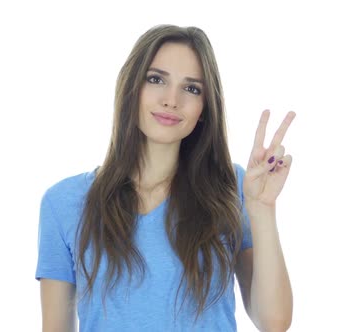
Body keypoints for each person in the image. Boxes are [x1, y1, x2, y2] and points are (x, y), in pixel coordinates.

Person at [35, 24, 295, 332]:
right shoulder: (64, 203)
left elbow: (274, 321)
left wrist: (262, 208)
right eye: (156, 79)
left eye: (191, 88)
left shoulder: (233, 187)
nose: (172, 100)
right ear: (132, 87)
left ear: (204, 108)